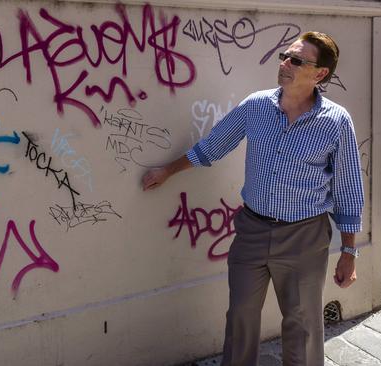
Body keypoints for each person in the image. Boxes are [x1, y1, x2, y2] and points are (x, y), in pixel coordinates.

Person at [141, 32, 363, 366]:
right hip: (252, 232)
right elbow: (213, 146)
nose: (285, 63)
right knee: (240, 319)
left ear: (319, 74)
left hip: (305, 238)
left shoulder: (336, 122)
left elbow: (348, 189)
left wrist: (349, 251)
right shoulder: (256, 106)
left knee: (302, 327)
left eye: (297, 60)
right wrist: (168, 171)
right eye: (285, 56)